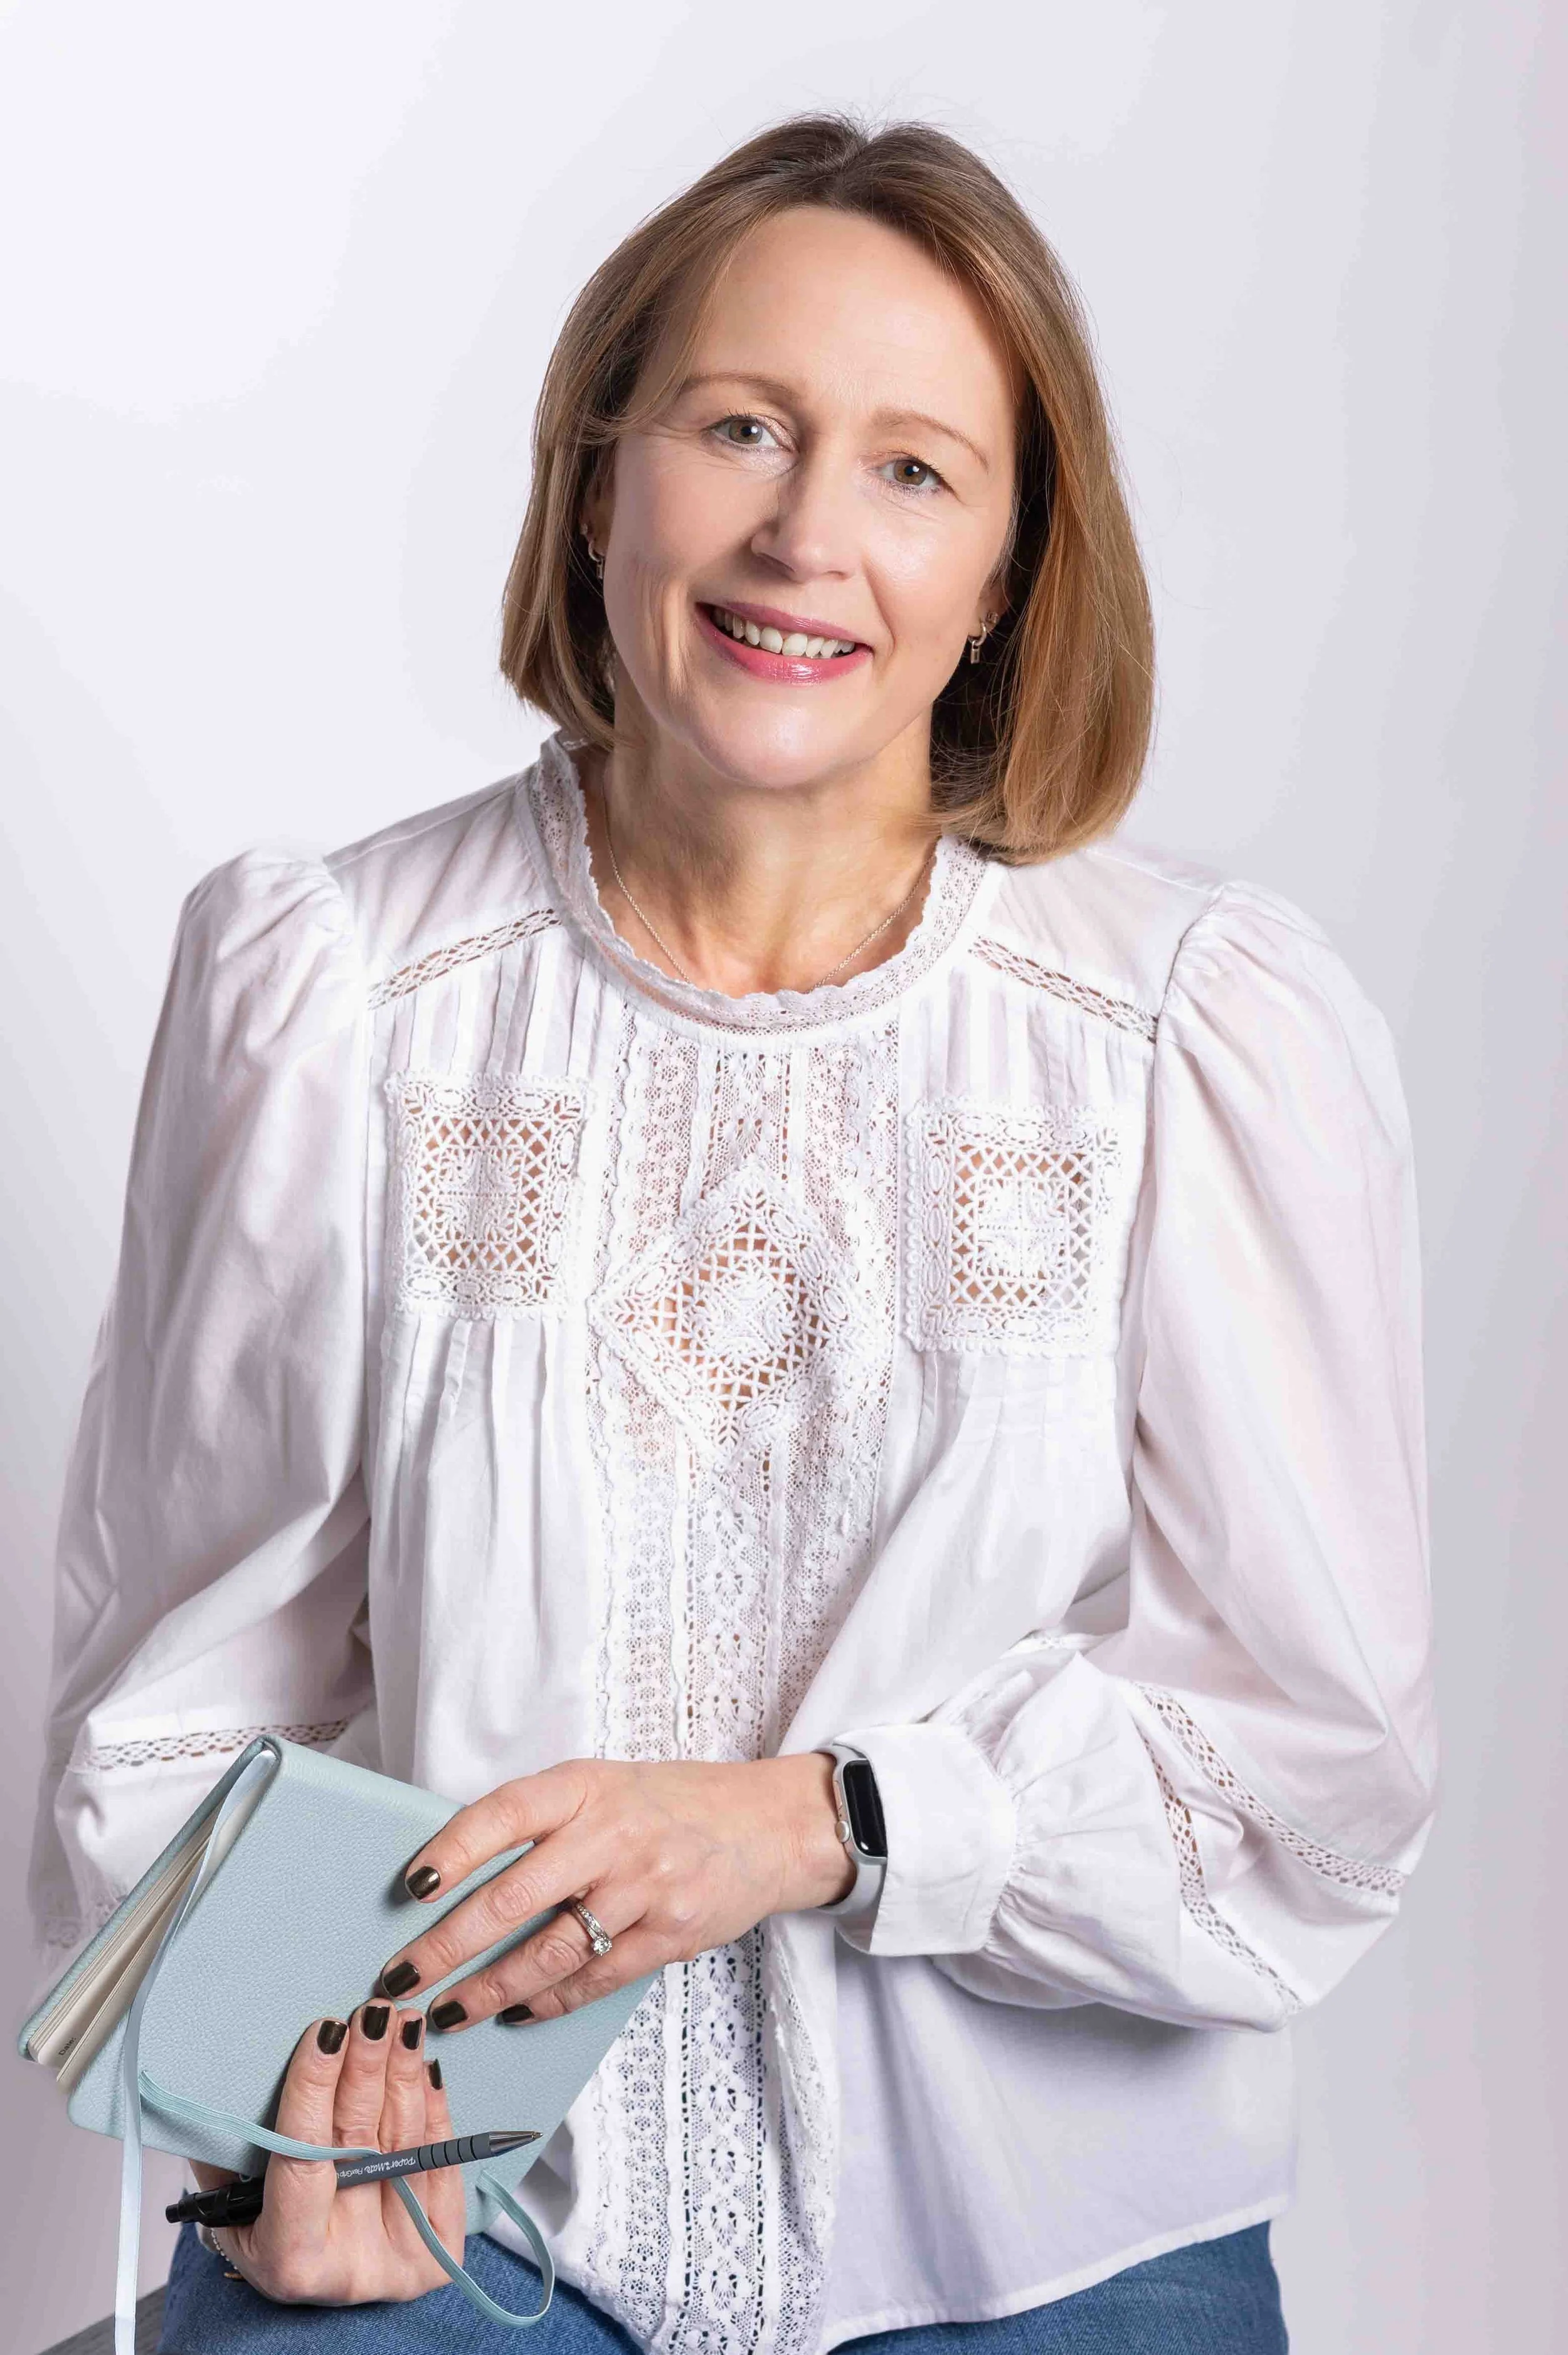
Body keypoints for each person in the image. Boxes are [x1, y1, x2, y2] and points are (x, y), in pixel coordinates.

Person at [28, 114, 1435, 2355]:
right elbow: (196, 1688)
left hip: (1050, 2260)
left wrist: (834, 1824)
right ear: (600, 473)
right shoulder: (334, 995)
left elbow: (1312, 1774)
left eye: (912, 470)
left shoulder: (1182, 1037)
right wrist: (270, 2137)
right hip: (446, 2216)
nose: (801, 536)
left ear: (1006, 575)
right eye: (740, 428)